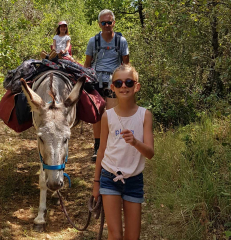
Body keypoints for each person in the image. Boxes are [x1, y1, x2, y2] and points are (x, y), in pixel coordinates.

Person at [92, 65, 154, 240]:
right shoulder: (107, 116)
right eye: (118, 83)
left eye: (128, 82)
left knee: (132, 236)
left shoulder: (145, 115)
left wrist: (135, 142)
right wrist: (96, 183)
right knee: (115, 235)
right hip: (109, 177)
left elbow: (150, 153)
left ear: (137, 86)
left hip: (134, 181)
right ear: (112, 88)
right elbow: (101, 150)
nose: (123, 86)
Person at [84, 9, 129, 162]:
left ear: (114, 23)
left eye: (109, 22)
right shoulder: (93, 41)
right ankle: (97, 147)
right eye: (104, 22)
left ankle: (112, 146)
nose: (107, 25)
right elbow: (87, 65)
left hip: (114, 82)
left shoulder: (121, 41)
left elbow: (126, 65)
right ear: (99, 24)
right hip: (96, 80)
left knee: (112, 115)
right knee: (97, 114)